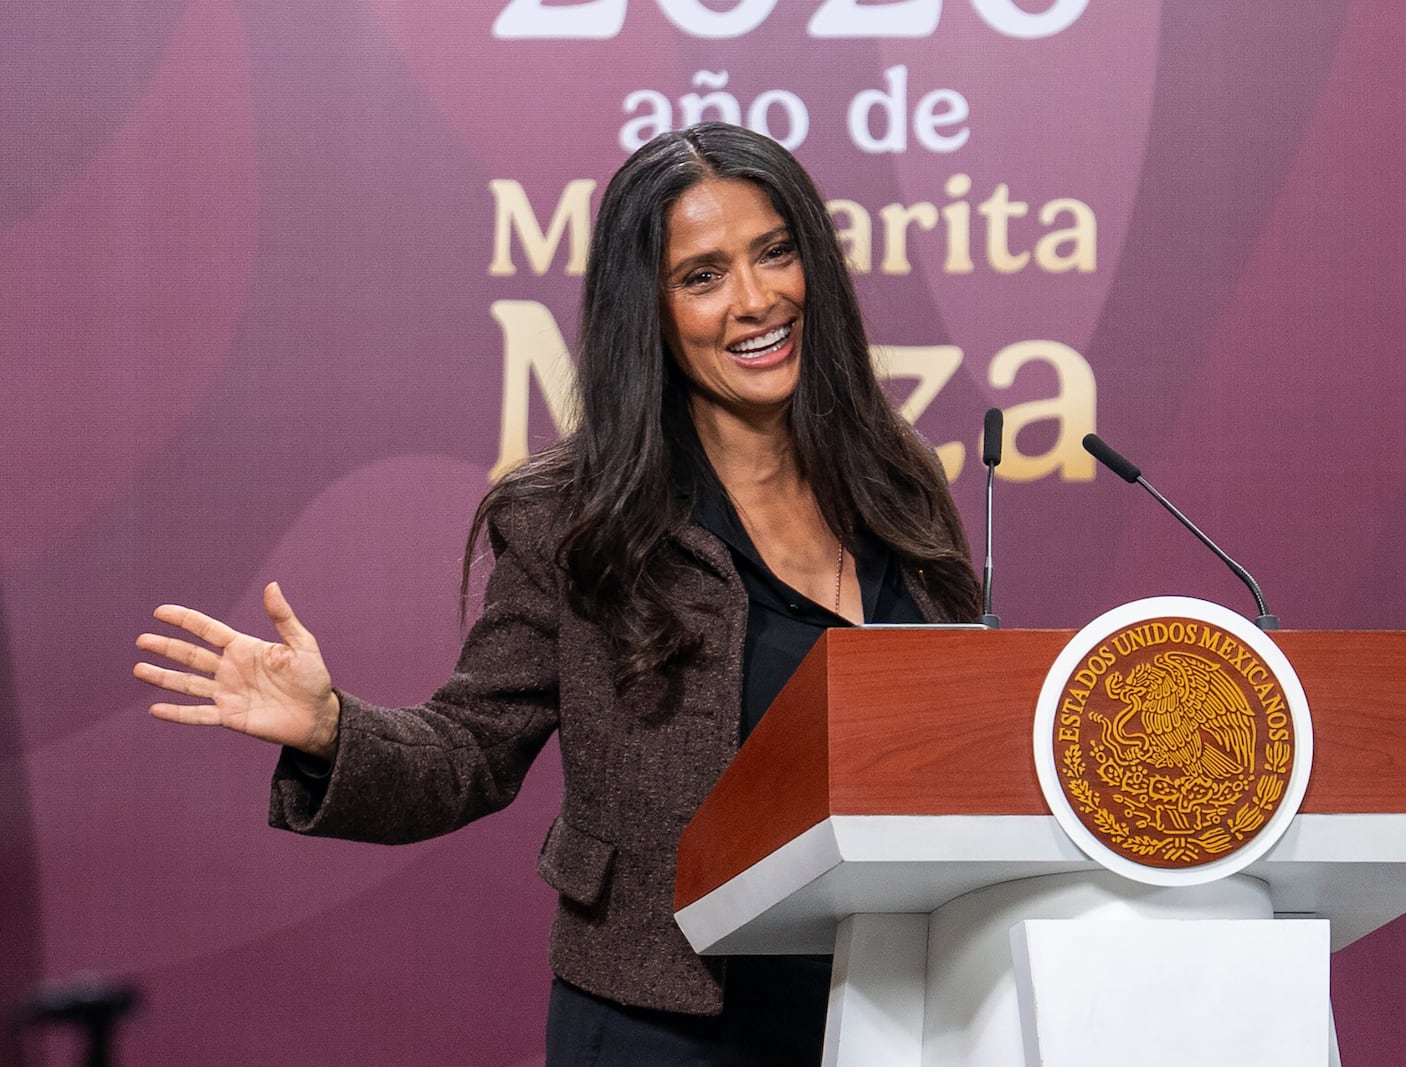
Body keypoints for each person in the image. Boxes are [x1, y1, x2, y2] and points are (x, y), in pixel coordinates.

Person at [134, 122, 982, 1065]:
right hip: (667, 1021)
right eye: (702, 276)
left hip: (897, 1002)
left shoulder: (893, 475)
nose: (755, 300)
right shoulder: (576, 520)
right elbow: (467, 753)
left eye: (775, 253)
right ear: (649, 312)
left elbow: (962, 722)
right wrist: (332, 727)